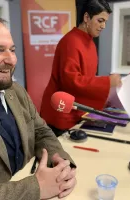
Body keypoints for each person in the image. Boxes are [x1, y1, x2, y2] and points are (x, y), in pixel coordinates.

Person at [0, 16, 76, 200]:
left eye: (12, 49)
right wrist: (35, 188)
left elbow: (41, 131)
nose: (11, 60)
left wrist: (62, 165)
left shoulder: (15, 90)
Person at [40, 0, 122, 134]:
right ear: (86, 18)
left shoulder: (89, 42)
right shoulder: (70, 42)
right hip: (62, 114)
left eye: (105, 22)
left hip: (78, 110)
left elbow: (86, 77)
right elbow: (70, 81)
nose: (103, 26)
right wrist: (106, 82)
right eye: (100, 20)